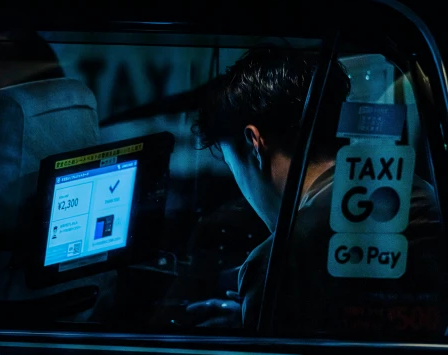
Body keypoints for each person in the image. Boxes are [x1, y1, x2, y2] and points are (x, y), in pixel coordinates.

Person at [188, 46, 445, 335]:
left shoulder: (279, 263)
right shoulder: (416, 192)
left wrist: (262, 305)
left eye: (232, 164)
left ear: (254, 143)